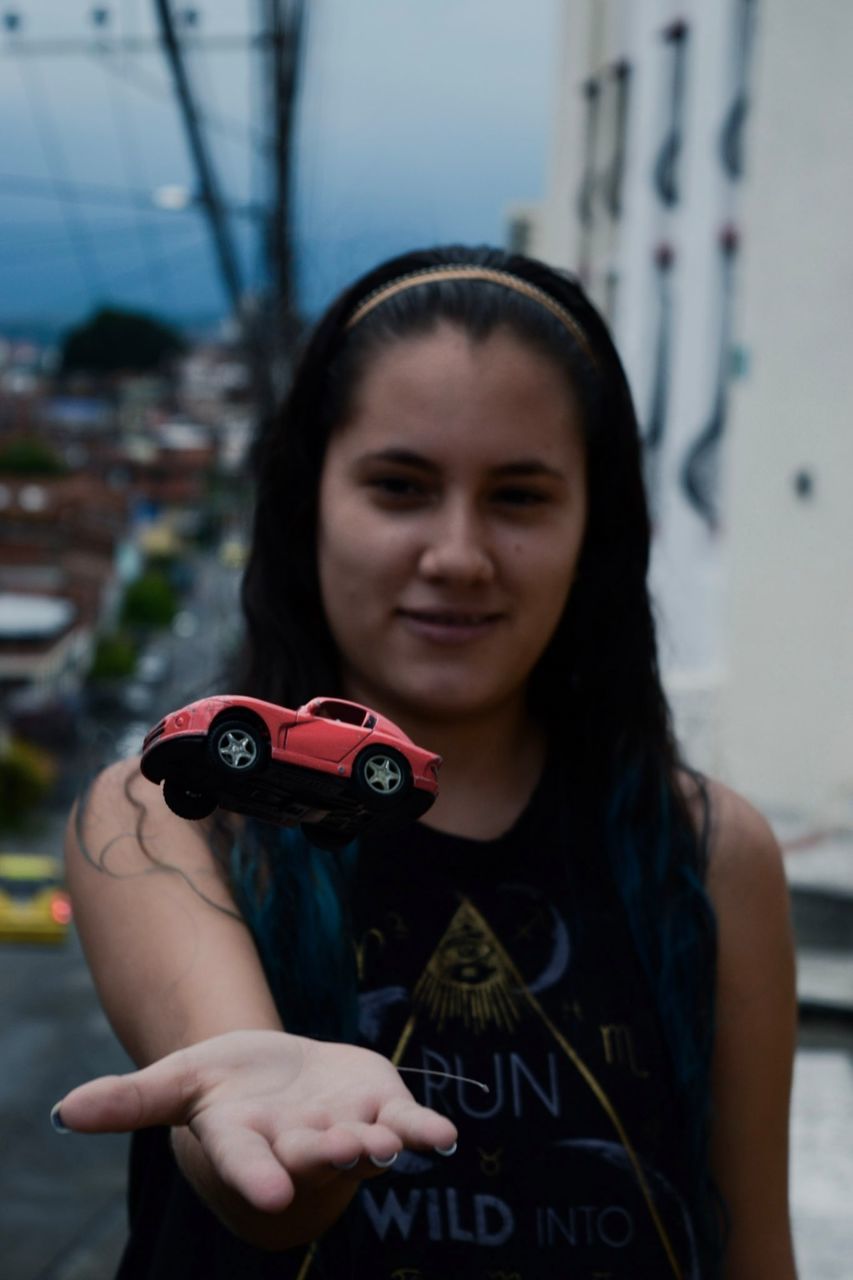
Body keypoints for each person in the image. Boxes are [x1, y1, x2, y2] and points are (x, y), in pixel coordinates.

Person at [57, 245, 797, 1280]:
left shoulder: (711, 854)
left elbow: (756, 1249)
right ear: (308, 497)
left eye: (521, 496)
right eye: (399, 486)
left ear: (598, 527)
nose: (457, 554)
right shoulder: (173, 809)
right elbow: (235, 1131)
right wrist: (267, 1124)